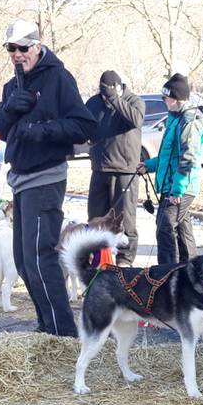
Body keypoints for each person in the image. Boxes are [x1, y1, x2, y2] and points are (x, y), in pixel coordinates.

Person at [0, 20, 96, 337]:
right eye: (11, 48)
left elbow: (84, 125)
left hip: (46, 178)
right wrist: (10, 110)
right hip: (20, 180)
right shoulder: (12, 86)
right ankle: (46, 328)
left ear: (37, 46)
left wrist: (43, 130)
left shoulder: (58, 79)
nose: (17, 54)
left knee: (40, 258)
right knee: (24, 262)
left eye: (23, 47)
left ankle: (62, 334)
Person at [136, 73, 203, 264]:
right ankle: (191, 272)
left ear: (175, 99)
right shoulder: (175, 118)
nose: (163, 101)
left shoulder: (188, 122)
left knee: (165, 228)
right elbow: (169, 156)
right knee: (183, 231)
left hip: (179, 188)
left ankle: (166, 276)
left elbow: (188, 160)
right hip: (173, 186)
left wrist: (177, 190)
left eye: (165, 97)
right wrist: (148, 165)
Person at [85, 71, 145, 266]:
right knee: (96, 218)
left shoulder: (134, 101)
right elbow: (83, 125)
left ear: (119, 88)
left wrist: (115, 99)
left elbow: (135, 120)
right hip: (100, 169)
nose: (105, 99)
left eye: (107, 94)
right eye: (103, 95)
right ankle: (97, 259)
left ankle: (124, 261)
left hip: (125, 170)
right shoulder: (94, 103)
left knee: (124, 219)